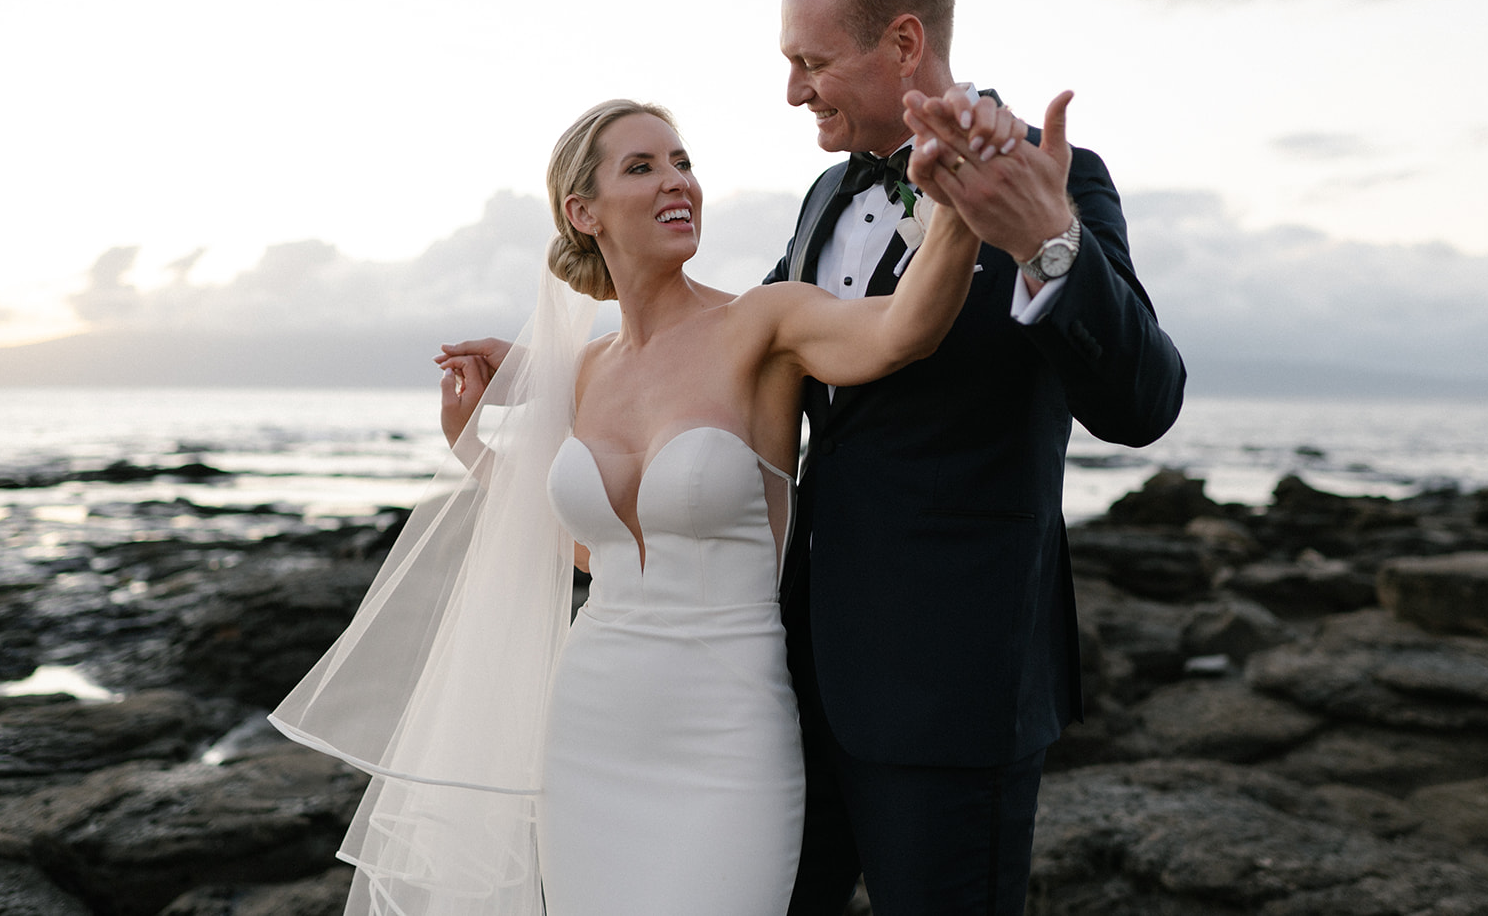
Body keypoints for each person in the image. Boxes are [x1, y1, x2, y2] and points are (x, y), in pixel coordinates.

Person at [272, 96, 1000, 915]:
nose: (676, 182)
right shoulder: (585, 371)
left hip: (728, 733)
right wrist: (474, 449)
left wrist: (959, 206)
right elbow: (598, 553)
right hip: (591, 727)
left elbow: (905, 329)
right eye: (643, 166)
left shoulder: (763, 323)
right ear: (584, 212)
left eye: (682, 162)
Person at [767, 0, 1187, 915]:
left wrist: (1048, 245)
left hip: (952, 694)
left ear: (903, 43)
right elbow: (745, 344)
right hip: (790, 679)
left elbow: (1144, 401)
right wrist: (552, 372)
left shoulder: (1057, 178)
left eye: (810, 61)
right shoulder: (827, 194)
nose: (792, 90)